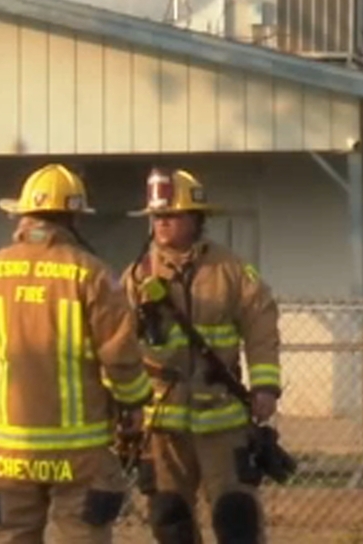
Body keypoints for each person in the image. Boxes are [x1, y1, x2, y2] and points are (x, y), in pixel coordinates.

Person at [0, 163, 154, 544]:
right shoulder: (93, 274)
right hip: (79, 451)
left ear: (22, 214)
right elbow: (119, 354)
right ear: (73, 218)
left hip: (9, 449)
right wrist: (136, 404)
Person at [120, 167, 283, 544]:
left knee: (236, 517)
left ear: (196, 218)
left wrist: (265, 387)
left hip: (221, 420)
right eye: (156, 217)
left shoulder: (232, 270)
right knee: (169, 516)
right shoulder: (136, 275)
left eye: (170, 215)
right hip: (162, 423)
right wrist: (124, 405)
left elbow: (262, 328)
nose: (161, 223)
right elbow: (118, 343)